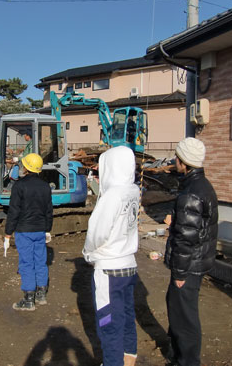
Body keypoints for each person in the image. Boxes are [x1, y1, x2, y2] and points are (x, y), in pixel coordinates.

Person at [82, 145, 140, 366]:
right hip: (129, 265)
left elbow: (97, 232)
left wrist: (88, 253)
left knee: (108, 322)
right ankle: (128, 359)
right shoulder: (133, 190)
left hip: (109, 270)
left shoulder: (112, 196)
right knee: (126, 316)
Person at [164, 137, 218, 366]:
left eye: (178, 157)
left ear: (184, 162)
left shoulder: (191, 193)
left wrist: (179, 274)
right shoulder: (201, 185)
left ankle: (187, 361)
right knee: (178, 309)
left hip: (189, 264)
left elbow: (186, 238)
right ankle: (180, 357)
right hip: (196, 261)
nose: (175, 161)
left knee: (184, 317)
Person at [5, 152, 53, 311]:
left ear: (26, 167)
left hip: (24, 231)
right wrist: (47, 229)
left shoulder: (19, 186)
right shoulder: (45, 186)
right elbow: (48, 211)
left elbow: (14, 211)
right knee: (40, 261)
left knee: (26, 263)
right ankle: (41, 295)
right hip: (40, 230)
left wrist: (7, 232)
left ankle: (28, 300)